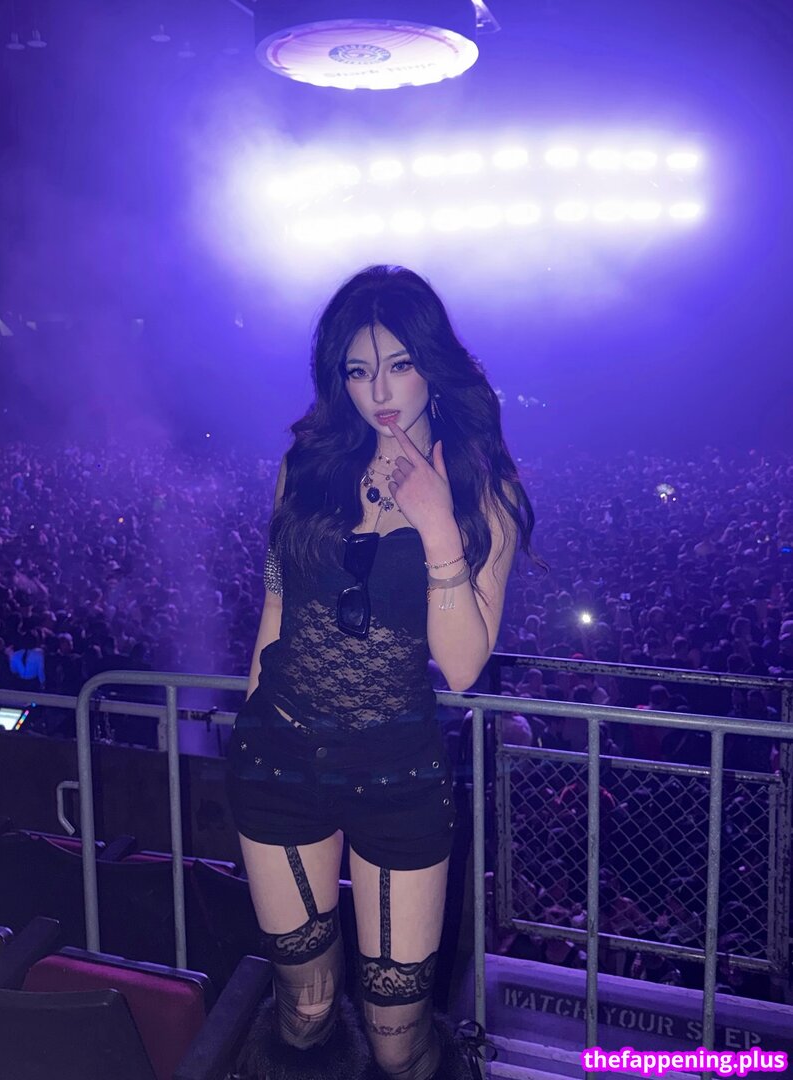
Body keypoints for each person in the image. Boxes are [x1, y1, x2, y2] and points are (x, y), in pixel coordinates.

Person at [225, 265, 541, 1080]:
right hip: (277, 758)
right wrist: (248, 720)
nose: (380, 391)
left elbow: (463, 667)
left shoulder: (484, 487)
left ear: (433, 364)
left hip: (397, 771)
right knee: (303, 1013)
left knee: (399, 1040)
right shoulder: (307, 466)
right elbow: (275, 610)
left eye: (399, 364)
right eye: (359, 370)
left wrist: (437, 524)